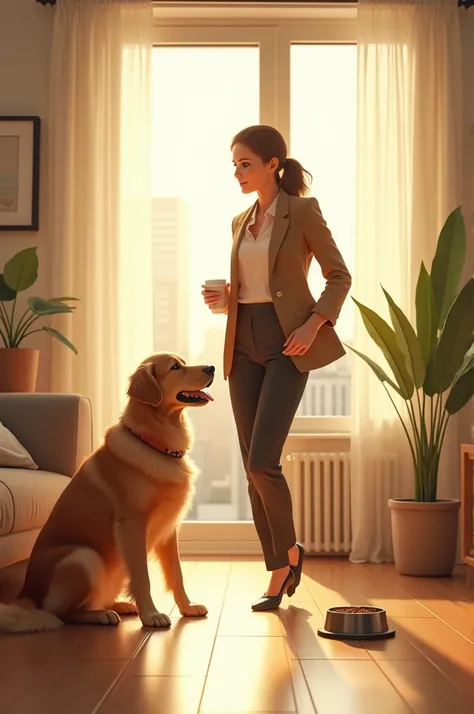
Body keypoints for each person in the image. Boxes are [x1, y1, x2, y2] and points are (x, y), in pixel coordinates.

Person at [202, 125, 351, 611]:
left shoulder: (302, 211)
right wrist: (227, 300)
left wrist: (314, 325)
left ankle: (287, 556)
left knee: (263, 460)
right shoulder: (238, 222)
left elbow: (338, 275)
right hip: (241, 343)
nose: (238, 173)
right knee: (251, 466)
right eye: (234, 165)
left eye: (246, 163)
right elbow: (252, 290)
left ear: (273, 164)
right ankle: (279, 567)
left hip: (289, 343)